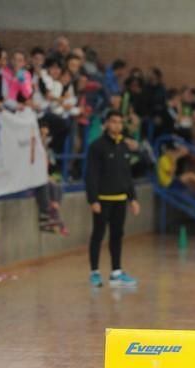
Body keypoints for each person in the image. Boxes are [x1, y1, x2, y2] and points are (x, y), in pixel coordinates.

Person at [85, 110, 140, 288]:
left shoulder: (124, 146)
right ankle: (94, 272)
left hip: (120, 199)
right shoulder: (97, 147)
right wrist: (93, 199)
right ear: (107, 123)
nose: (117, 125)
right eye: (113, 122)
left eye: (119, 122)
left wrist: (133, 198)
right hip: (103, 199)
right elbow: (91, 175)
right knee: (98, 235)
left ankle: (116, 272)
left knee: (117, 235)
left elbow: (127, 175)